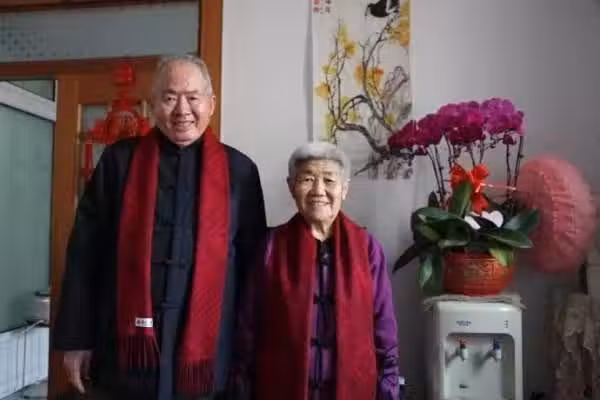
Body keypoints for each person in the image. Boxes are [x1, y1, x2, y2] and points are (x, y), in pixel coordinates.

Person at [53, 54, 267, 400]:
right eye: (169, 98)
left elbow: (253, 270)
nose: (182, 110)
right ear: (153, 104)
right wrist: (76, 339)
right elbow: (85, 255)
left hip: (208, 355)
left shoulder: (240, 171)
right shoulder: (119, 162)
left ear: (211, 104)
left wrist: (251, 351)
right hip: (125, 348)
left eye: (193, 97)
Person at [231, 142, 401, 399]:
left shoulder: (367, 249)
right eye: (307, 179)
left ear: (344, 189)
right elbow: (248, 327)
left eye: (329, 180)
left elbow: (384, 332)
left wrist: (389, 391)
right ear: (292, 187)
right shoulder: (272, 246)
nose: (318, 190)